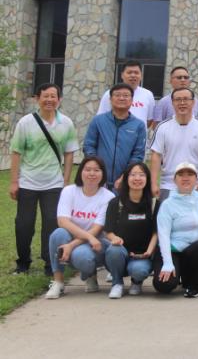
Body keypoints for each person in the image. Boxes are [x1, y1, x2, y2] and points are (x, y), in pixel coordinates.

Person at [10, 83, 78, 275]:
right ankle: (23, 262)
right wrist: (14, 182)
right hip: (27, 183)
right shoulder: (25, 122)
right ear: (37, 99)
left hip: (54, 184)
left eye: (53, 96)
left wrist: (66, 181)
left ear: (59, 99)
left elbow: (69, 154)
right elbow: (16, 152)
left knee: (51, 224)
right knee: (24, 225)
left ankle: (50, 263)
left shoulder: (66, 123)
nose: (49, 100)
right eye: (45, 96)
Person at [44, 157, 115, 299]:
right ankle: (58, 282)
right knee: (58, 234)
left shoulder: (108, 197)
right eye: (87, 169)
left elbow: (97, 229)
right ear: (81, 171)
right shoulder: (69, 191)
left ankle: (90, 274)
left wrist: (72, 245)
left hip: (94, 242)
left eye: (96, 170)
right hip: (76, 237)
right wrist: (85, 237)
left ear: (103, 174)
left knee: (82, 257)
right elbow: (62, 221)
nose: (92, 173)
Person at [153, 162, 198, 297]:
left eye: (190, 174)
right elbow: (163, 235)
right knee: (164, 285)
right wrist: (168, 263)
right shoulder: (167, 204)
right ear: (174, 180)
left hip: (196, 251)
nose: (185, 178)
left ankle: (192, 284)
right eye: (181, 175)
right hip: (173, 250)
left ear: (196, 179)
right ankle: (177, 273)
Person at [150, 87, 198, 200]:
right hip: (169, 186)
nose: (182, 103)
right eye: (178, 99)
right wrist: (153, 183)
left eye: (186, 99)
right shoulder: (162, 127)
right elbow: (156, 155)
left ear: (193, 102)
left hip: (196, 186)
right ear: (172, 103)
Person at [102, 162, 158, 298]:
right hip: (121, 252)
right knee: (113, 250)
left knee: (139, 270)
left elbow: (156, 232)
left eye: (141, 175)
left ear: (147, 179)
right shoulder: (115, 203)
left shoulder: (154, 204)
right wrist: (114, 238)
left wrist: (149, 251)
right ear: (126, 178)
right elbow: (108, 230)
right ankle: (117, 283)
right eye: (133, 175)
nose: (137, 178)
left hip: (142, 254)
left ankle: (137, 282)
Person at [84, 83, 147, 191]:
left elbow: (137, 155)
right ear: (110, 99)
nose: (121, 98)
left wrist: (125, 177)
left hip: (124, 183)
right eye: (117, 95)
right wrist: (96, 171)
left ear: (132, 100)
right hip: (98, 181)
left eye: (126, 95)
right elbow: (89, 146)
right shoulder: (98, 121)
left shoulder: (139, 125)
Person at [96, 60, 155, 127]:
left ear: (141, 75)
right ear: (122, 75)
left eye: (136, 73)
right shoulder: (110, 93)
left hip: (139, 133)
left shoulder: (148, 95)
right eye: (129, 72)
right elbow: (101, 118)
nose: (133, 75)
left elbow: (149, 120)